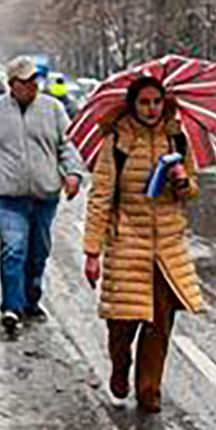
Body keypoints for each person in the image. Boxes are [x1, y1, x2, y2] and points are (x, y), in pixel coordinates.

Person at [82, 76, 203, 413]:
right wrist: (92, 252)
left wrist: (182, 183)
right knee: (121, 325)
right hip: (126, 244)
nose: (151, 109)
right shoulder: (118, 140)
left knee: (159, 324)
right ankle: (121, 365)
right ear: (133, 105)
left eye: (156, 102)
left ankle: (150, 389)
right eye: (144, 102)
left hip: (167, 247)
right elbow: (101, 197)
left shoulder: (177, 139)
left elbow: (192, 191)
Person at [0, 56, 84, 335]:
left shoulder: (53, 109)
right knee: (13, 248)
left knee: (38, 252)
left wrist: (73, 174)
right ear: (11, 84)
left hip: (45, 194)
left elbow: (67, 146)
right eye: (26, 81)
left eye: (34, 81)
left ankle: (31, 299)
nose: (32, 86)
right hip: (7, 196)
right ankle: (11, 308)